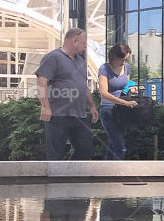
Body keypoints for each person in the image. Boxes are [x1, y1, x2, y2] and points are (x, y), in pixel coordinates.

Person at [36, 27, 99, 160]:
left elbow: (83, 85)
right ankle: (57, 179)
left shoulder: (80, 61)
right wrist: (45, 106)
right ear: (74, 41)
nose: (85, 46)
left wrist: (92, 106)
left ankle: (72, 175)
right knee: (56, 153)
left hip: (79, 114)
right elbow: (42, 81)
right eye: (84, 43)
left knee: (85, 149)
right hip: (58, 115)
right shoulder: (53, 57)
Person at [97, 41, 138, 160]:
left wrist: (131, 89)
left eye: (126, 60)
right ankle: (117, 173)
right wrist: (125, 102)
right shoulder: (104, 68)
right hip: (108, 110)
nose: (124, 63)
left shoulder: (127, 68)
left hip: (121, 111)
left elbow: (125, 86)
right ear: (114, 57)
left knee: (112, 144)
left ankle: (106, 173)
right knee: (120, 146)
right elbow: (104, 93)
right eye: (122, 60)